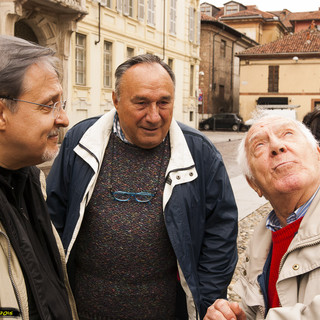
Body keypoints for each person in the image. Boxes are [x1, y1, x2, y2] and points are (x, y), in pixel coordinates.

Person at [46, 53, 238, 320]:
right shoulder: (81, 141)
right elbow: (52, 220)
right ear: (116, 100)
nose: (154, 116)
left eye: (164, 103)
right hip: (85, 310)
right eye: (141, 103)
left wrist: (206, 303)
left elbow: (221, 234)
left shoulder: (200, 152)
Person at [204, 115, 320, 320]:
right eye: (259, 145)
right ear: (253, 184)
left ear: (318, 154)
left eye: (288, 134)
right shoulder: (260, 244)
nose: (276, 146)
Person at [0, 35, 78, 319]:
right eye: (48, 105)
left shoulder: (31, 180)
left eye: (62, 103)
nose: (64, 119)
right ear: (1, 113)